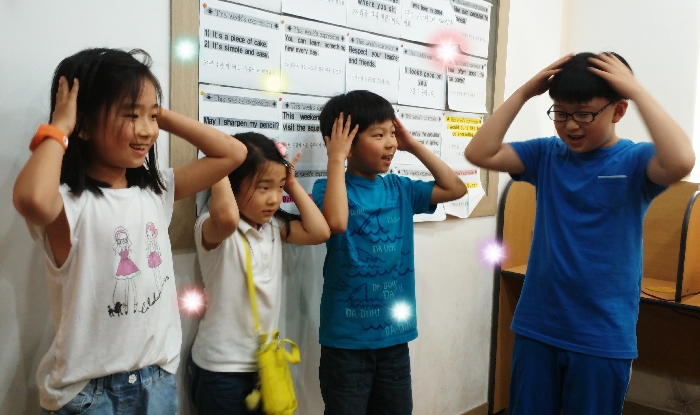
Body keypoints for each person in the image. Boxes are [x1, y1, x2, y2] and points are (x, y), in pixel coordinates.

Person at [12, 47, 246, 414]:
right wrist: (60, 127)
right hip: (89, 394)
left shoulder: (157, 190)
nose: (147, 130)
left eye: (152, 116)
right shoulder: (68, 203)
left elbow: (232, 154)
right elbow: (31, 200)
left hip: (157, 382)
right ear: (84, 124)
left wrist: (156, 113)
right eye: (130, 114)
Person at [464, 52, 695, 414]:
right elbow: (479, 152)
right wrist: (524, 93)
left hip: (601, 334)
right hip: (538, 325)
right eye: (560, 113)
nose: (570, 125)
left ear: (619, 110)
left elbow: (681, 160)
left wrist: (636, 90)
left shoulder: (634, 161)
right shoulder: (546, 155)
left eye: (584, 114)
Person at [312, 90, 467, 415]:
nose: (391, 144)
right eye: (379, 135)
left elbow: (455, 188)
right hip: (346, 342)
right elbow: (336, 222)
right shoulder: (327, 189)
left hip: (394, 339)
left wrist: (414, 145)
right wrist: (336, 159)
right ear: (347, 144)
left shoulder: (400, 188)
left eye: (392, 134)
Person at [189, 132, 331, 415]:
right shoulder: (214, 227)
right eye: (264, 187)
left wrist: (292, 183)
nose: (274, 199)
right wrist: (219, 167)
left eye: (279, 188)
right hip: (221, 370)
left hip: (265, 365)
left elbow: (320, 231)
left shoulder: (274, 227)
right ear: (232, 182)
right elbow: (227, 217)